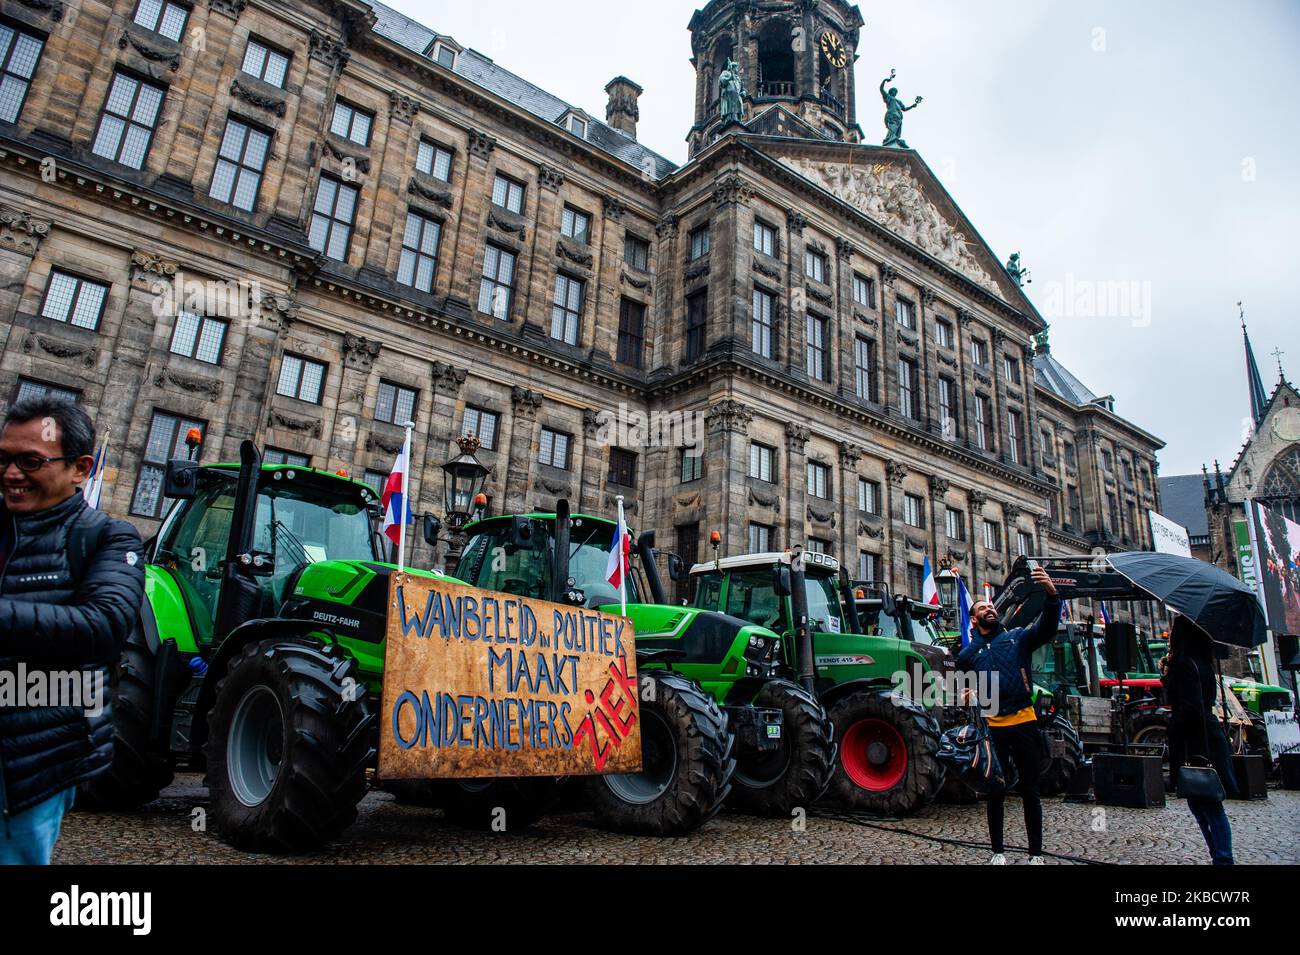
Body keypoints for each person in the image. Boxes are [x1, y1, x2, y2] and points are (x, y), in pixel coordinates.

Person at [0, 397, 144, 864]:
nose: (11, 474)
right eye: (2, 459)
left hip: (34, 756)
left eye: (30, 462)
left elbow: (103, 625)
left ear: (81, 469)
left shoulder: (108, 537)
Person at [955, 567, 1060, 864]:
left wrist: (1052, 595)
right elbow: (958, 687)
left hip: (1024, 721)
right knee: (995, 791)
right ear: (974, 620)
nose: (990, 608)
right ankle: (998, 852)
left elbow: (1048, 628)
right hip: (993, 728)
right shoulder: (967, 655)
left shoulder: (1017, 638)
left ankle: (1035, 855)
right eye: (983, 608)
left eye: (991, 606)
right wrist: (964, 694)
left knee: (1030, 790)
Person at [1160, 616, 1238, 865]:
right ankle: (1219, 856)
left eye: (1173, 630)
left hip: (1196, 741)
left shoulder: (1184, 665)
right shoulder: (1203, 663)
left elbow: (1189, 708)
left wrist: (1174, 726)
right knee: (1201, 804)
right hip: (1208, 735)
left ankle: (1223, 859)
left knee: (1208, 804)